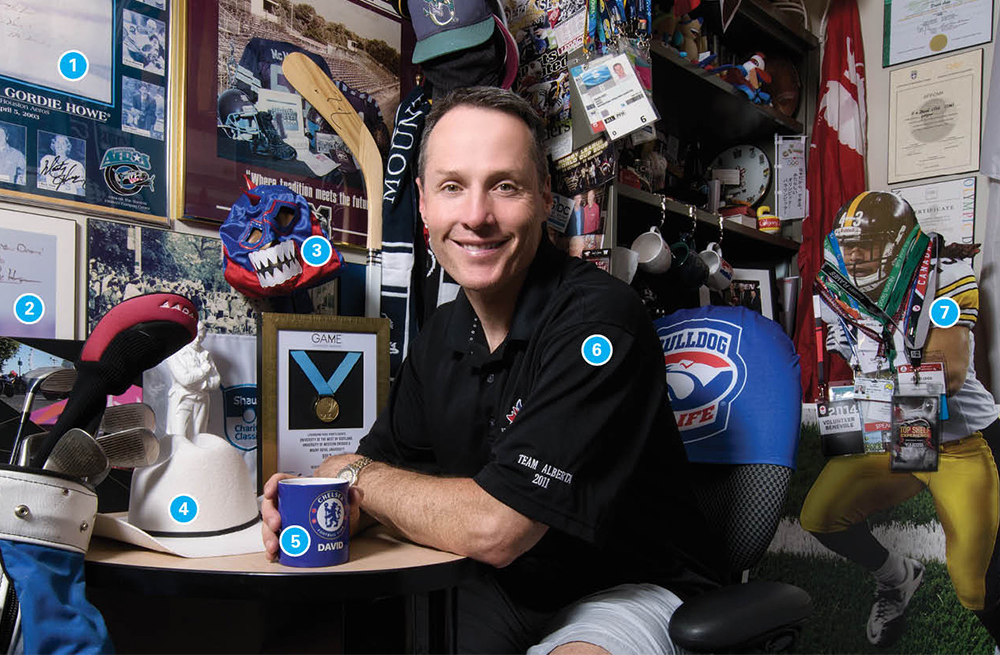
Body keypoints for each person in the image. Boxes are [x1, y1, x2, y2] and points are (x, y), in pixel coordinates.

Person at [261, 87, 721, 653]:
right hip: (501, 584)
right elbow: (382, 486)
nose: (476, 216)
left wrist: (352, 473)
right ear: (424, 204)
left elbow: (497, 527)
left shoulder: (600, 320)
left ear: (545, 196)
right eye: (453, 187)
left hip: (624, 587)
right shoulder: (442, 335)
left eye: (505, 186)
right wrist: (329, 504)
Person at [800, 191, 1000, 648]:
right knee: (822, 515)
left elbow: (946, 374)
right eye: (847, 244)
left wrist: (869, 389)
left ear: (897, 243)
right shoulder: (837, 286)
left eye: (864, 244)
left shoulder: (945, 276)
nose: (853, 255)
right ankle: (898, 577)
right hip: (895, 433)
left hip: (961, 442)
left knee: (974, 585)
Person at [164, 321, 220, 440]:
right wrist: (204, 371)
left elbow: (216, 381)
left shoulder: (205, 354)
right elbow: (185, 380)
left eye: (201, 335)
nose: (198, 339)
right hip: (183, 400)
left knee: (199, 437)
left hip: (201, 401)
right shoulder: (175, 352)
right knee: (179, 438)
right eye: (196, 334)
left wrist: (200, 384)